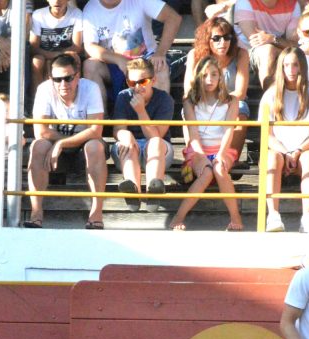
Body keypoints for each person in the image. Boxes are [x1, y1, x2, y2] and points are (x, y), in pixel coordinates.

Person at [26, 54, 107, 229]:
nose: (63, 84)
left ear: (77, 76)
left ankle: (96, 213)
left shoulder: (91, 88)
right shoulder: (44, 89)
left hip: (83, 149)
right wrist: (63, 143)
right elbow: (41, 131)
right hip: (56, 150)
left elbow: (96, 131)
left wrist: (61, 143)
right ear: (51, 79)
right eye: (58, 79)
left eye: (68, 78)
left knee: (95, 146)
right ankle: (36, 212)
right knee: (38, 145)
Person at [258, 46, 309, 233]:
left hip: (303, 150)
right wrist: (285, 152)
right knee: (271, 158)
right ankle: (273, 216)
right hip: (279, 151)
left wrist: (297, 151)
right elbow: (267, 135)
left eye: (295, 65)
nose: (290, 70)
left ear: (302, 67)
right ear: (280, 68)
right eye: (286, 65)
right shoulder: (270, 95)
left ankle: (307, 217)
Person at [169, 56, 243, 231]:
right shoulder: (189, 101)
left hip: (222, 148)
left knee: (218, 168)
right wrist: (201, 157)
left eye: (214, 75)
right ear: (198, 77)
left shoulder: (232, 101)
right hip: (197, 149)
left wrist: (220, 154)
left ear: (220, 77)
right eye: (205, 75)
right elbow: (193, 134)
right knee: (207, 172)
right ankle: (178, 218)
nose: (209, 80)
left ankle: (235, 218)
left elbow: (229, 131)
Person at [81, 0, 182, 106]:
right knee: (90, 65)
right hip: (113, 65)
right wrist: (118, 60)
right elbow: (90, 46)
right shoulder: (91, 8)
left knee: (160, 67)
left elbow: (173, 18)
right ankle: (100, 119)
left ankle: (159, 119)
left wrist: (160, 52)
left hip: (146, 61)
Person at [183, 16, 250, 162]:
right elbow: (188, 90)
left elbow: (241, 92)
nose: (223, 42)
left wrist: (220, 102)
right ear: (207, 39)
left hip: (229, 102)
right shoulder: (195, 55)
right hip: (202, 100)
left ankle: (232, 159)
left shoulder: (241, 54)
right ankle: (193, 157)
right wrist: (208, 101)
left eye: (227, 37)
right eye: (217, 38)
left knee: (241, 108)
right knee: (187, 108)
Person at [111, 58, 174, 214]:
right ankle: (133, 191)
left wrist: (141, 111)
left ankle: (154, 189)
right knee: (126, 143)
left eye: (142, 81)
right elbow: (118, 129)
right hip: (131, 150)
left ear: (153, 80)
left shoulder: (165, 99)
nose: (138, 87)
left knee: (155, 143)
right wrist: (124, 135)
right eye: (133, 83)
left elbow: (157, 134)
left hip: (159, 151)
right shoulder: (123, 96)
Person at [233, 0, 300, 90]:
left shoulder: (293, 4)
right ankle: (270, 100)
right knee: (268, 51)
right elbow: (254, 39)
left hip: (278, 47)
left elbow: (294, 44)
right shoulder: (245, 2)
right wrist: (278, 44)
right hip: (247, 51)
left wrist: (272, 38)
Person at [29, 0, 82, 91]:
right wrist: (56, 55)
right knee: (37, 61)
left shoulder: (76, 14)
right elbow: (34, 47)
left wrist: (58, 56)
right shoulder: (38, 15)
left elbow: (77, 46)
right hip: (45, 55)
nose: (57, 1)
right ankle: (37, 96)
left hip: (67, 55)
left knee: (76, 59)